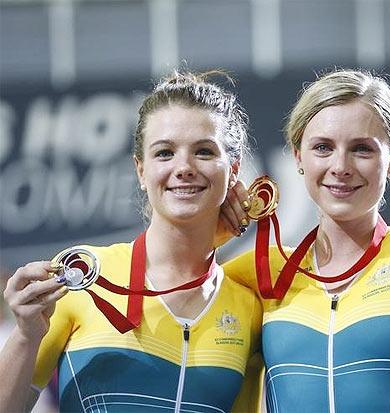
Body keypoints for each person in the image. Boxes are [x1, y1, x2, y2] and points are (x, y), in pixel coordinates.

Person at [0, 71, 262, 412]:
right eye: (165, 153)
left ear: (234, 171)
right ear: (141, 171)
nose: (183, 167)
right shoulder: (82, 277)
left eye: (204, 151)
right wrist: (25, 334)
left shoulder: (248, 306)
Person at [221, 69, 390, 412]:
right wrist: (210, 232)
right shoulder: (257, 273)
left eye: (362, 149)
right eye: (323, 147)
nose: (341, 166)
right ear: (298, 157)